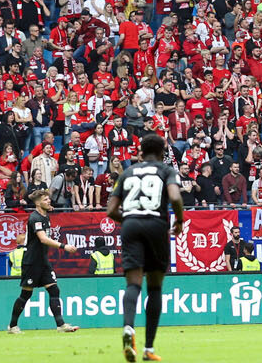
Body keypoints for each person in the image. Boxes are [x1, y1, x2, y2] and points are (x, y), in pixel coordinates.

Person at [106, 133, 183, 362]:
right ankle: (149, 348)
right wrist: (179, 221)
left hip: (130, 225)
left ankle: (128, 328)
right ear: (162, 153)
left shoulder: (127, 172)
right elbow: (175, 197)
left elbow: (110, 211)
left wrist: (130, 219)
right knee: (155, 287)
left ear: (140, 152)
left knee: (133, 283)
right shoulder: (166, 170)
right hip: (156, 226)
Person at [7, 188, 81, 335]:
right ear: (38, 203)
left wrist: (48, 208)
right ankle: (12, 326)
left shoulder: (45, 216)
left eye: (49, 199)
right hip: (32, 261)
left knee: (54, 289)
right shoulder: (35, 218)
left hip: (43, 261)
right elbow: (43, 239)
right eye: (46, 199)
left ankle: (61, 325)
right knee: (25, 295)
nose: (49, 201)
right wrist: (63, 246)